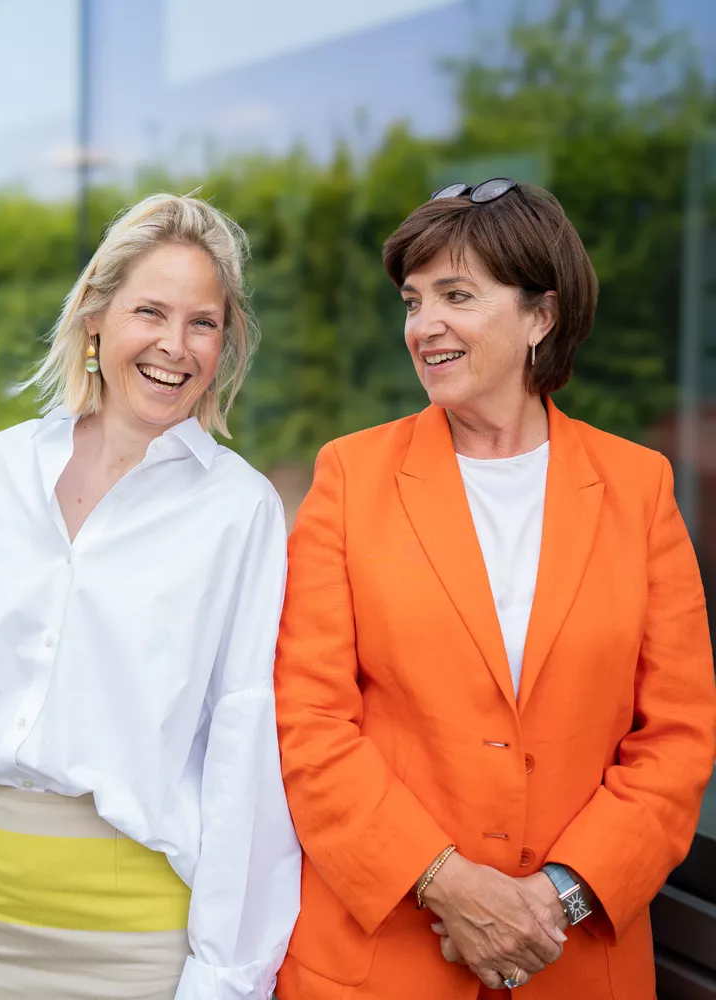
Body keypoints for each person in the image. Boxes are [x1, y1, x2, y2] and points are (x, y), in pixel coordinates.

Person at [274, 178, 716, 1000]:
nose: (423, 326)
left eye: (457, 296)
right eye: (413, 302)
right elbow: (308, 721)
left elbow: (677, 738)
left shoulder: (639, 487)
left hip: (571, 960)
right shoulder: (350, 476)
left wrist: (557, 898)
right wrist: (445, 881)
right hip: (382, 964)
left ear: (541, 316)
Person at [0, 193, 300, 1000]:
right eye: (150, 312)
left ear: (225, 344)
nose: (174, 346)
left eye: (203, 323)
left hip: (135, 946)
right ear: (96, 317)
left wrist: (224, 978)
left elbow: (245, 754)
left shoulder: (240, 511)